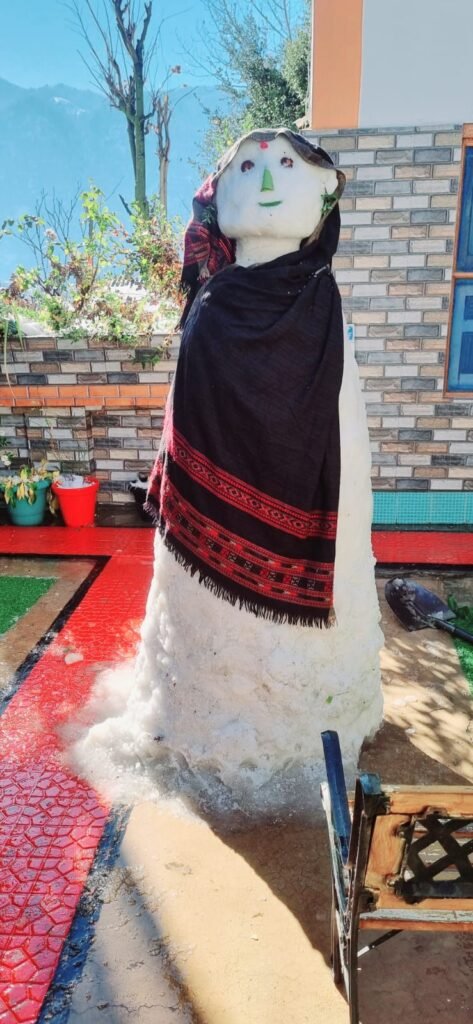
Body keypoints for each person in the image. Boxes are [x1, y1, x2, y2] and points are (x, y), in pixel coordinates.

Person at [78, 129, 383, 816]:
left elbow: (342, 435)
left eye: (286, 166)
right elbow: (188, 420)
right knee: (207, 631)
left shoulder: (321, 307)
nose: (267, 183)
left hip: (318, 531)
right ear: (218, 199)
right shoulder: (212, 307)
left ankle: (312, 709)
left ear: (324, 195)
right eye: (248, 167)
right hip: (201, 555)